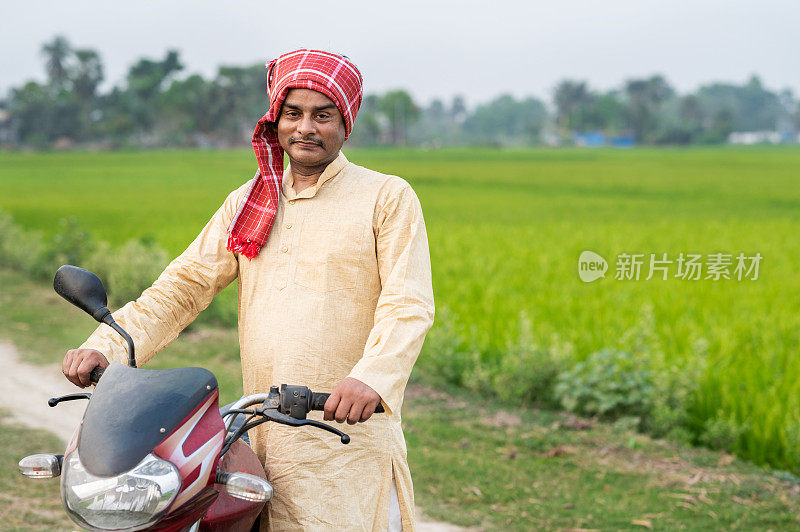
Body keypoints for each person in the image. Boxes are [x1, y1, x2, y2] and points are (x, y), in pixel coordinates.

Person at [61, 49, 435, 531]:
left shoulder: (387, 197)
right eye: (292, 113)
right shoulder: (250, 200)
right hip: (260, 432)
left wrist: (372, 379)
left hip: (343, 432)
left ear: (347, 124)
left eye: (323, 115)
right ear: (274, 120)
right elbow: (183, 286)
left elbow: (408, 304)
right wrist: (107, 344)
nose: (305, 128)